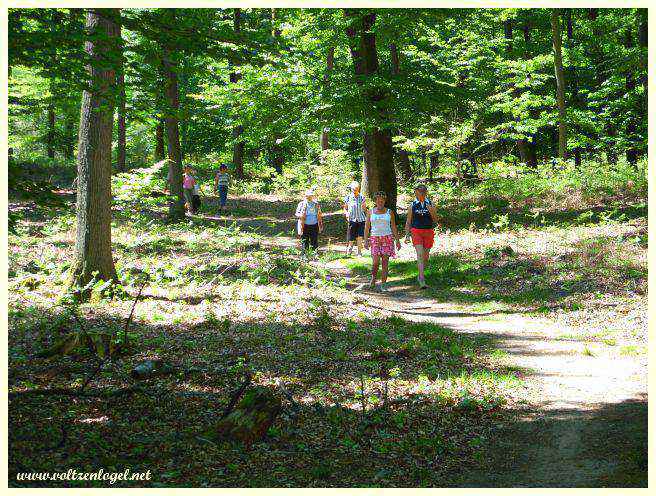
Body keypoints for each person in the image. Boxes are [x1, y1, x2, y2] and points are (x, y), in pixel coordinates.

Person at [364, 191, 401, 292]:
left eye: (382, 201)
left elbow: (393, 227)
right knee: (375, 262)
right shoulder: (370, 212)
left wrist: (397, 240)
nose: (380, 202)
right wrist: (365, 240)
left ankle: (384, 284)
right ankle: (373, 279)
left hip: (387, 238)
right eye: (378, 201)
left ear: (385, 201)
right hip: (375, 238)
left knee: (385, 261)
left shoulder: (389, 212)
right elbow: (367, 227)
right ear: (375, 201)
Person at [404, 183, 439, 289]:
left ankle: (421, 274)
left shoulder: (430, 203)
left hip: (428, 231)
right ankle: (421, 279)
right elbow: (408, 221)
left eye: (421, 193)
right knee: (419, 254)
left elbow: (435, 220)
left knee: (425, 257)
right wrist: (407, 235)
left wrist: (431, 210)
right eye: (417, 193)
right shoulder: (413, 205)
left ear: (425, 193)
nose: (419, 195)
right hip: (416, 231)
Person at [295, 188, 323, 257]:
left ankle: (315, 254)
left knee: (314, 240)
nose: (309, 197)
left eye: (311, 196)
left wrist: (320, 225)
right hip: (304, 225)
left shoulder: (316, 204)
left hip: (314, 225)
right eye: (308, 196)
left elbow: (319, 215)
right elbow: (296, 214)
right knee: (305, 241)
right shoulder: (301, 204)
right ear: (305, 196)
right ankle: (305, 255)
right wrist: (301, 215)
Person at [343, 181, 368, 256]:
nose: (355, 191)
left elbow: (364, 208)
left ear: (359, 189)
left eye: (356, 189)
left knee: (360, 236)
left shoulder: (362, 197)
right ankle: (349, 250)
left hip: (361, 219)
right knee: (351, 236)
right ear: (351, 189)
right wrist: (346, 214)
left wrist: (368, 217)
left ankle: (359, 252)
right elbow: (345, 208)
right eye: (353, 189)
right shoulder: (348, 197)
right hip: (352, 219)